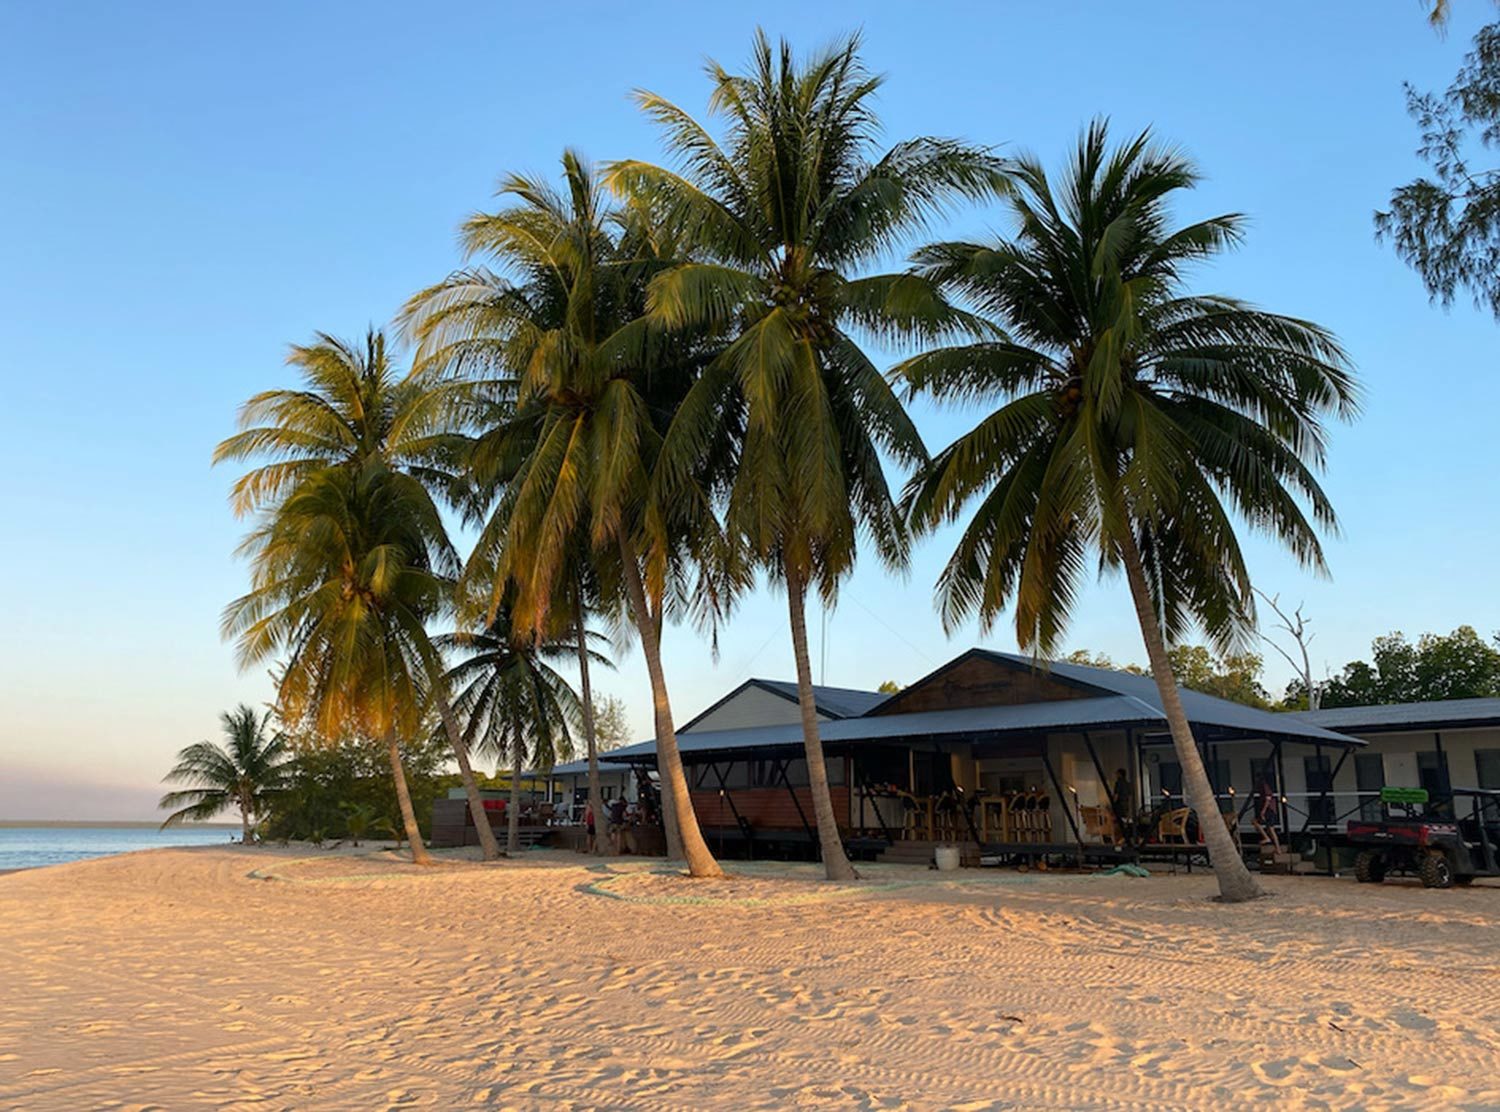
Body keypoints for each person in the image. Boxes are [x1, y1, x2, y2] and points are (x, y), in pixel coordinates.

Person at [1253, 771, 1282, 852]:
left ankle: (1268, 839)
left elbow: (1268, 799)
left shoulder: (1264, 786)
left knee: (1267, 827)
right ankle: (1276, 847)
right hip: (1269, 809)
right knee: (1269, 828)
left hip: (1269, 809)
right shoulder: (1261, 787)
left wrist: (1263, 810)